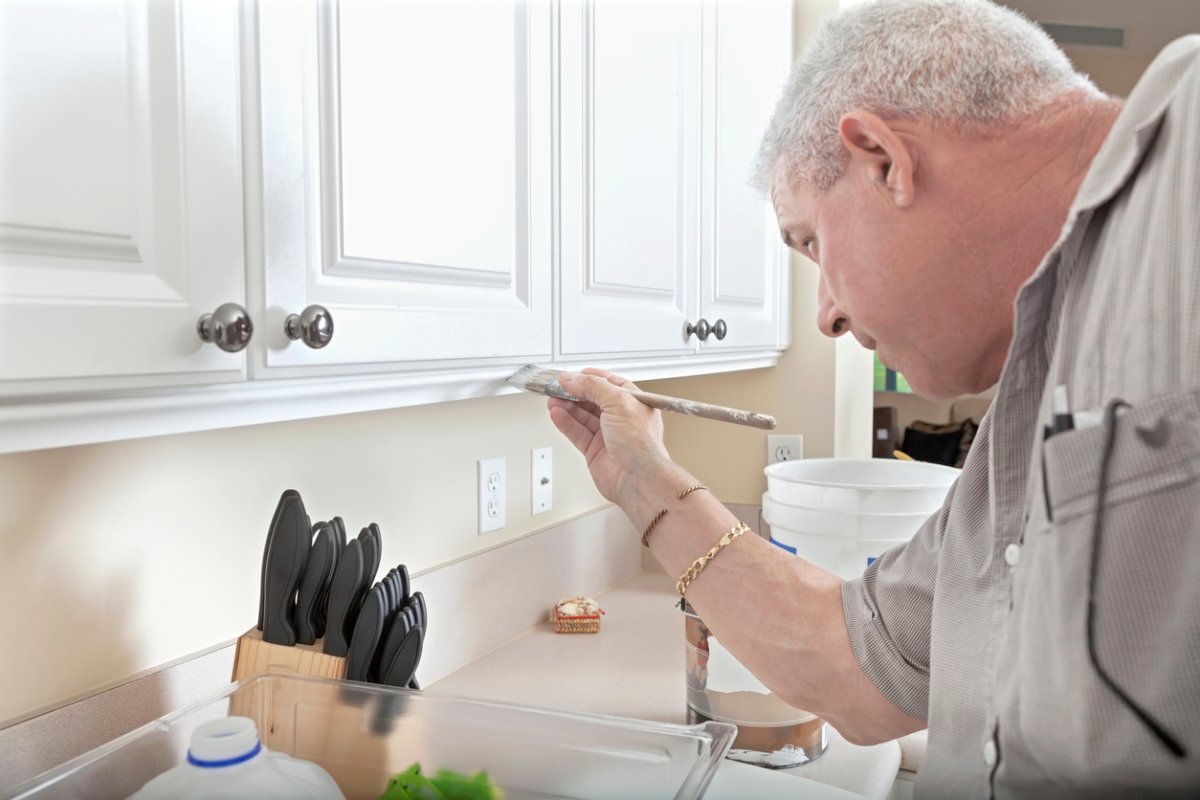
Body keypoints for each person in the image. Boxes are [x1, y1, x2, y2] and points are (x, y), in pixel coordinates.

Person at [545, 0, 1200, 796]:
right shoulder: (1018, 427)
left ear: (883, 160)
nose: (826, 313)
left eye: (811, 243)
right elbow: (853, 663)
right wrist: (640, 477)